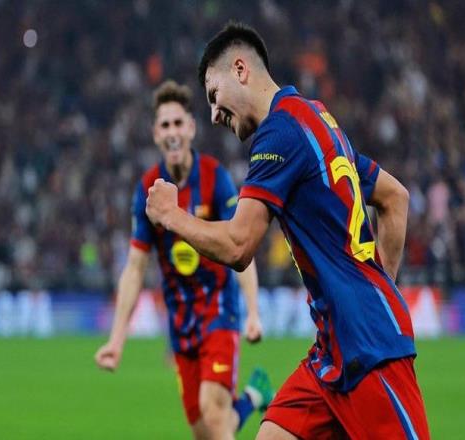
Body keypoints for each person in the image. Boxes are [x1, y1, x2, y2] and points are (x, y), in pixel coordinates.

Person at [145, 23, 430, 439]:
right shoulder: (316, 118)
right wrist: (376, 288)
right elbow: (394, 197)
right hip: (332, 353)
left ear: (240, 69)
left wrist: (171, 215)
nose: (214, 114)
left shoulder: (279, 132)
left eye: (214, 95)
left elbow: (238, 246)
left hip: (370, 350)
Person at [95, 79, 274, 440]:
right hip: (181, 325)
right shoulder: (148, 189)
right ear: (155, 134)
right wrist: (116, 339)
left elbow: (240, 245)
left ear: (191, 128)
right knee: (204, 430)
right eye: (165, 125)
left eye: (178, 123)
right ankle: (255, 396)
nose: (172, 132)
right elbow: (135, 268)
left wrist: (253, 312)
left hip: (219, 311)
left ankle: (248, 397)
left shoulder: (214, 178)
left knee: (213, 410)